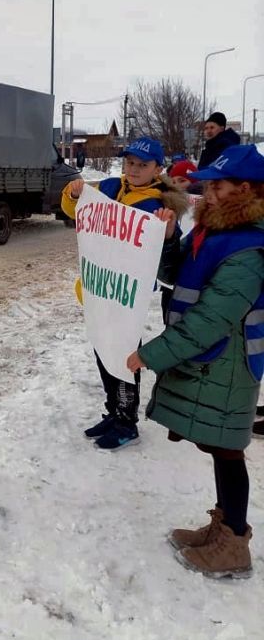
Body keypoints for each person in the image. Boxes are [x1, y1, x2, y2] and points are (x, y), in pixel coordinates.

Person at [127, 144, 264, 578]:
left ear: (244, 190)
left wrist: (150, 355)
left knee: (228, 450)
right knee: (219, 448)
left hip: (228, 364)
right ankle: (223, 528)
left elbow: (210, 321)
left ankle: (234, 547)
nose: (207, 193)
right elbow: (174, 275)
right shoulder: (214, 230)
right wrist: (167, 239)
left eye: (217, 186)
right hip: (211, 362)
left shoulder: (249, 249)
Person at [61, 137, 189, 450]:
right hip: (99, 289)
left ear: (158, 169)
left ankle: (126, 420)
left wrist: (168, 231)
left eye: (142, 165)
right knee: (103, 348)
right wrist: (72, 193)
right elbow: (75, 211)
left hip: (127, 296)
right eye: (129, 162)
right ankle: (113, 410)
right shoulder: (108, 187)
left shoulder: (160, 203)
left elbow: (168, 253)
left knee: (124, 355)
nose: (133, 169)